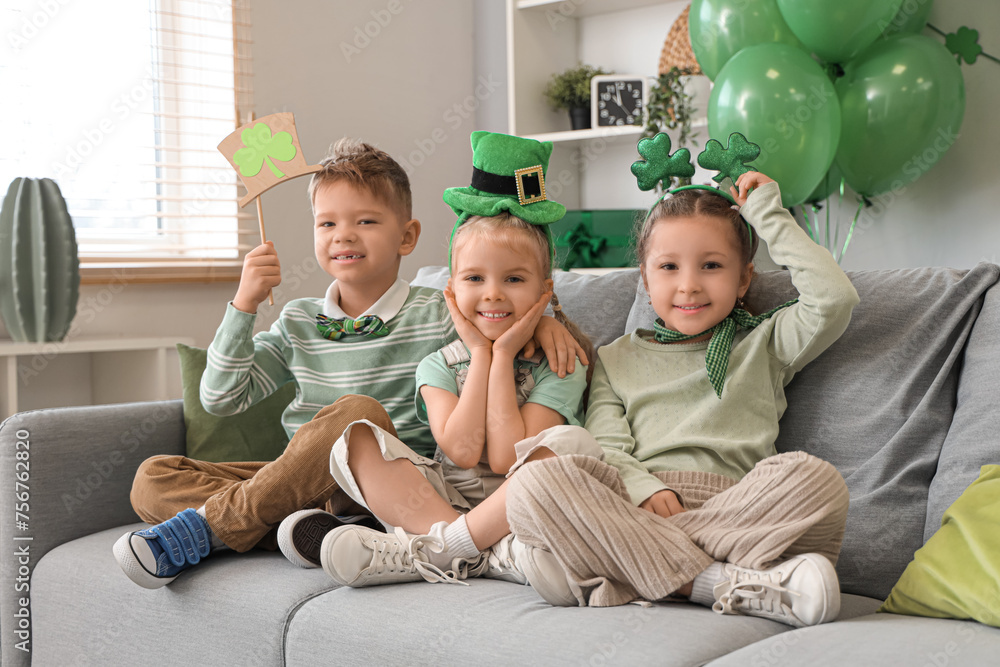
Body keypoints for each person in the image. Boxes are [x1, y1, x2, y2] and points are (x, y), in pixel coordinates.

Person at [112, 137, 585, 589]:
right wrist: (244, 305)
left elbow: (493, 319)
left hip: (393, 479)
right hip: (300, 481)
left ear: (407, 236)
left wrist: (545, 323)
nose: (343, 235)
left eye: (365, 221)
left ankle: (213, 528)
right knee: (151, 479)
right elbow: (220, 398)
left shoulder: (438, 311)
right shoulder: (297, 321)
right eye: (327, 224)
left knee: (357, 414)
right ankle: (311, 527)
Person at [505, 156, 861, 627]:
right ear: (645, 277)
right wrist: (644, 489)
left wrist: (769, 215)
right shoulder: (614, 358)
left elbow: (834, 299)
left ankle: (629, 569)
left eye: (711, 266)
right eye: (669, 267)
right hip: (636, 505)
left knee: (815, 478)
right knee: (531, 483)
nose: (689, 285)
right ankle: (718, 582)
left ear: (743, 279)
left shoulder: (766, 342)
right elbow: (607, 446)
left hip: (736, 507)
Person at [301, 131, 603, 595]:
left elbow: (505, 458)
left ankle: (438, 549)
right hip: (445, 501)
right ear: (451, 290)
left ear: (545, 291)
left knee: (572, 443)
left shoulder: (561, 362)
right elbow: (461, 451)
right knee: (355, 440)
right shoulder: (438, 364)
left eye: (514, 279)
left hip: (522, 505)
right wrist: (481, 354)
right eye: (475, 278)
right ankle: (489, 555)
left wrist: (504, 354)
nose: (493, 294)